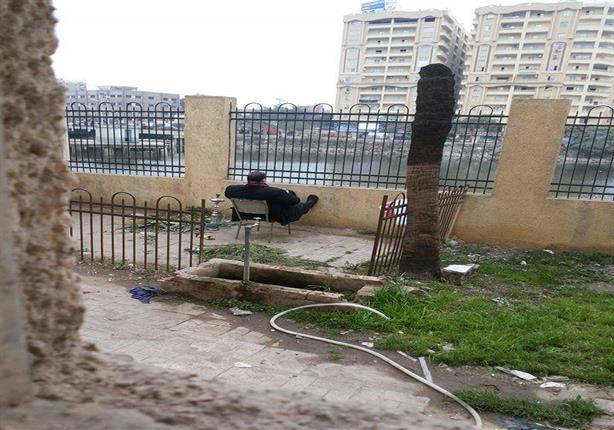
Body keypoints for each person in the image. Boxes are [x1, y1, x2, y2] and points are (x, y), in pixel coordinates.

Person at [224, 171, 318, 226]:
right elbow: (295, 201)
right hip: (272, 216)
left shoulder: (232, 190)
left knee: (287, 195)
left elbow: (228, 193)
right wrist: (284, 194)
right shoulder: (274, 192)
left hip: (245, 215)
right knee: (300, 206)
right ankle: (310, 203)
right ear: (263, 181)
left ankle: (290, 195)